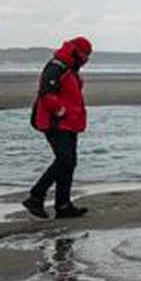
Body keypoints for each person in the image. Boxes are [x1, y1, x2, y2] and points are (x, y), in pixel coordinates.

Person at [23, 37, 93, 219]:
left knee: (69, 162)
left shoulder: (70, 69)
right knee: (65, 160)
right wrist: (59, 111)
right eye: (85, 55)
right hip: (55, 122)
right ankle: (36, 196)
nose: (86, 59)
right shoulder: (57, 67)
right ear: (77, 52)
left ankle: (63, 205)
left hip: (69, 122)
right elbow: (47, 93)